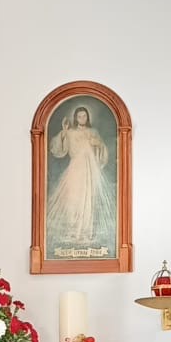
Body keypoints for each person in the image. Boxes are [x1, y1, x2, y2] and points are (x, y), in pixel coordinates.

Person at [47, 105, 109, 246]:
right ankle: (73, 230)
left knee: (88, 199)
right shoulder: (70, 132)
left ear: (88, 117)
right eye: (79, 116)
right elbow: (57, 149)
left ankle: (86, 232)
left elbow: (102, 150)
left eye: (84, 116)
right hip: (75, 169)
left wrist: (98, 144)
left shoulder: (93, 132)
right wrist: (64, 131)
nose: (82, 118)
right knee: (73, 199)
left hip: (89, 170)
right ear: (75, 118)